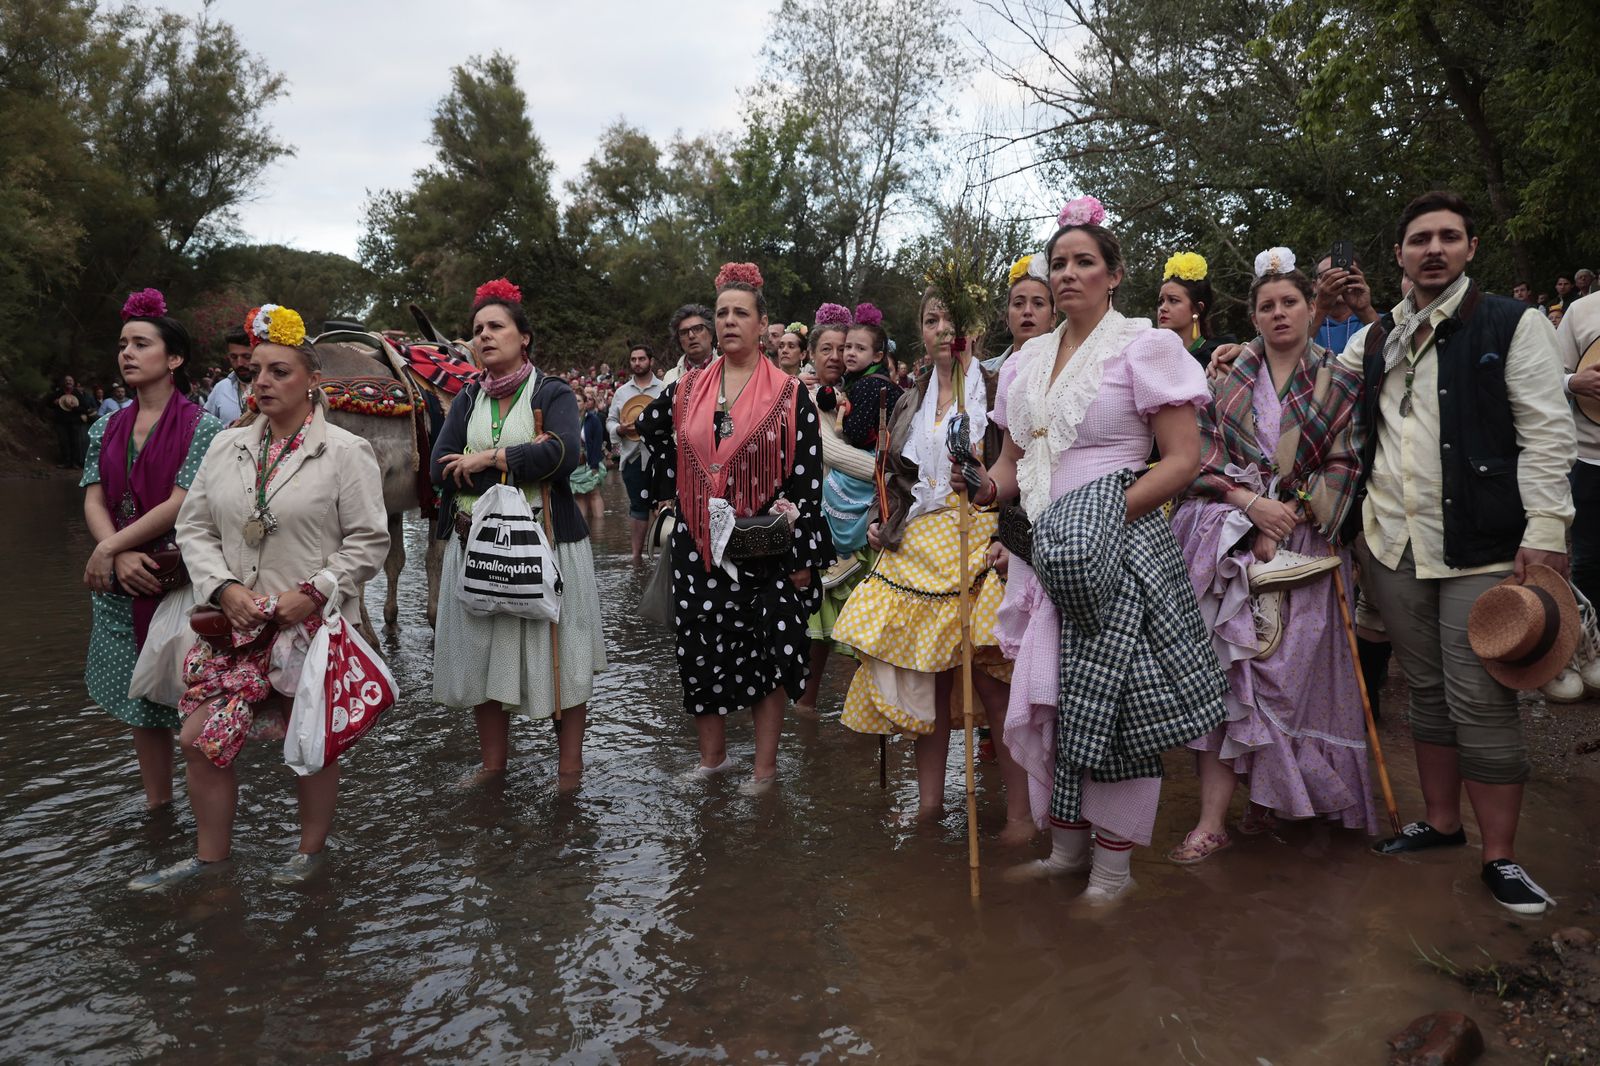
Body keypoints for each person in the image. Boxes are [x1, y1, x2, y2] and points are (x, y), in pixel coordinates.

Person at [969, 195, 1226, 901]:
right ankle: (1067, 849)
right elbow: (1011, 464)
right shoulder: (1024, 364)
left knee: (1118, 710)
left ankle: (1113, 877)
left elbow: (1182, 460)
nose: (1069, 274)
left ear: (1114, 275)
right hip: (1041, 559)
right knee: (1055, 705)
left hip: (1118, 550)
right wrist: (984, 488)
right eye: (1059, 263)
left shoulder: (1147, 346)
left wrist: (1100, 513)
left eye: (1085, 261)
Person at [1348, 191, 1574, 915]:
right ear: (1400, 255)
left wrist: (1547, 529)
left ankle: (1500, 857)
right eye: (1420, 239)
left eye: (1448, 237)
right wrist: (1240, 352)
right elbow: (1315, 385)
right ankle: (1442, 825)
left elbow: (1546, 430)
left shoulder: (1516, 322)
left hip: (1481, 545)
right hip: (1392, 543)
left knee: (1481, 696)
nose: (1434, 249)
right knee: (1424, 691)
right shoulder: (1379, 336)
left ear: (1471, 248)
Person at [129, 303, 388, 890]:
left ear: (312, 381)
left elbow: (370, 541)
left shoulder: (347, 452)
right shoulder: (226, 447)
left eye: (279, 371)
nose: (263, 382)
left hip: (308, 625)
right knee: (197, 738)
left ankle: (309, 852)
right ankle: (209, 860)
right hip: (232, 623)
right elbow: (194, 528)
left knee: (310, 741)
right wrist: (221, 587)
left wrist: (317, 592)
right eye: (256, 373)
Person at [1167, 249, 1376, 864]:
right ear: (1253, 317)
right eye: (1267, 305)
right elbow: (1198, 456)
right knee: (1227, 677)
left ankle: (1270, 797)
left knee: (1289, 683)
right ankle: (1211, 820)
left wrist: (1293, 514)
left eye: (1289, 302)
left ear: (1312, 309)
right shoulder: (1225, 378)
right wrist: (1249, 506)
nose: (1279, 313)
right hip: (1228, 540)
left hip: (1304, 547)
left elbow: (1347, 461)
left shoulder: (1341, 380)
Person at [830, 288, 1033, 837]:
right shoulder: (907, 398)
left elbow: (1026, 469)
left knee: (995, 685)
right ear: (920, 331)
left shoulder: (999, 388)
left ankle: (1019, 816)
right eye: (932, 319)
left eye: (953, 319)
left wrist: (1013, 538)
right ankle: (929, 805)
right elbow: (898, 479)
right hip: (917, 546)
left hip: (983, 540)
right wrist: (883, 522)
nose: (943, 329)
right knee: (928, 684)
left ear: (975, 328)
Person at [638, 262, 833, 791]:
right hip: (699, 543)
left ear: (762, 323)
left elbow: (806, 477)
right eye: (721, 312)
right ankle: (713, 761)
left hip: (763, 544)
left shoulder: (791, 396)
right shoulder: (686, 389)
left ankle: (764, 770)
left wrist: (798, 558)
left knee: (766, 653)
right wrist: (687, 489)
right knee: (701, 649)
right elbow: (649, 430)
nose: (728, 322)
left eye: (739, 313)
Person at [431, 279, 607, 786]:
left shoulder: (552, 393)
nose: (484, 336)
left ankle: (569, 770)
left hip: (548, 543)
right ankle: (493, 766)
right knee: (484, 654)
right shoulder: (466, 400)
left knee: (563, 655)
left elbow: (562, 455)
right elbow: (438, 470)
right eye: (477, 330)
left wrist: (486, 459)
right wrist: (514, 464)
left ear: (523, 337)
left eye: (496, 327)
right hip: (475, 547)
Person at [81, 289, 223, 812]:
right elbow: (95, 496)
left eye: (142, 344)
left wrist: (112, 547)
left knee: (191, 698)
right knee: (139, 705)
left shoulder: (201, 426)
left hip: (177, 583)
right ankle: (158, 807)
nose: (127, 354)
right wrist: (113, 554)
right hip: (122, 579)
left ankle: (206, 806)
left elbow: (180, 504)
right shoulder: (107, 424)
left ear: (175, 359)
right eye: (123, 344)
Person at [794, 303, 863, 716]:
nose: (836, 357)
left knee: (861, 629)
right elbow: (832, 452)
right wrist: (887, 473)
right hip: (819, 524)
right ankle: (806, 720)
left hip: (855, 522)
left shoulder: (858, 394)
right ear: (812, 355)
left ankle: (860, 718)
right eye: (827, 349)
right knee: (815, 633)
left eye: (844, 349)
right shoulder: (802, 396)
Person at [607, 342, 664, 562]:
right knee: (637, 506)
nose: (637, 363)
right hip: (632, 457)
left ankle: (667, 556)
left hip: (661, 456)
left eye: (641, 359)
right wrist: (618, 429)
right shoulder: (621, 392)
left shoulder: (664, 387)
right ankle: (636, 557)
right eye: (633, 359)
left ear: (651, 360)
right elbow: (611, 420)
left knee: (664, 505)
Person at [1561, 291, 1600, 608]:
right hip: (1589, 459)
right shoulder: (1581, 310)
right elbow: (1545, 376)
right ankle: (1593, 640)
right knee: (1589, 560)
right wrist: (1574, 382)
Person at [1157, 251, 1237, 366]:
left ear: (1197, 309)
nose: (1162, 308)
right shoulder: (1154, 360)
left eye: (1173, 300)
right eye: (1160, 302)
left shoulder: (1220, 357)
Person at [983, 253, 1056, 374]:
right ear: (1007, 318)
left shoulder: (1071, 374)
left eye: (1038, 304)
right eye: (1018, 303)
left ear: (1053, 318)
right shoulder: (980, 375)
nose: (1027, 311)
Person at [1310, 251, 1381, 354]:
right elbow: (1293, 357)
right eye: (1329, 275)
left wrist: (1365, 310)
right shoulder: (1298, 325)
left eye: (1347, 274)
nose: (1338, 280)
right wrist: (1320, 309)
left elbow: (1393, 354)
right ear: (1314, 286)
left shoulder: (1383, 320)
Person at [570, 385, 607, 527]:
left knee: (594, 494)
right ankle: (583, 527)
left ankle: (599, 528)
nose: (576, 403)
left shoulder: (593, 420)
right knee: (579, 496)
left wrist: (595, 465)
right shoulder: (568, 420)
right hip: (575, 466)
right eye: (573, 400)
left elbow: (597, 443)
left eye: (579, 401)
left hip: (590, 463)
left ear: (585, 404)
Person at [203, 327, 256, 426]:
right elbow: (204, 427)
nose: (239, 363)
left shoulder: (270, 388)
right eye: (234, 357)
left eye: (247, 357)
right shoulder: (221, 388)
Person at [664, 303, 716, 386]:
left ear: (711, 333)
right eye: (684, 332)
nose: (691, 336)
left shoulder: (728, 369)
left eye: (697, 329)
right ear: (679, 340)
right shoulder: (671, 377)